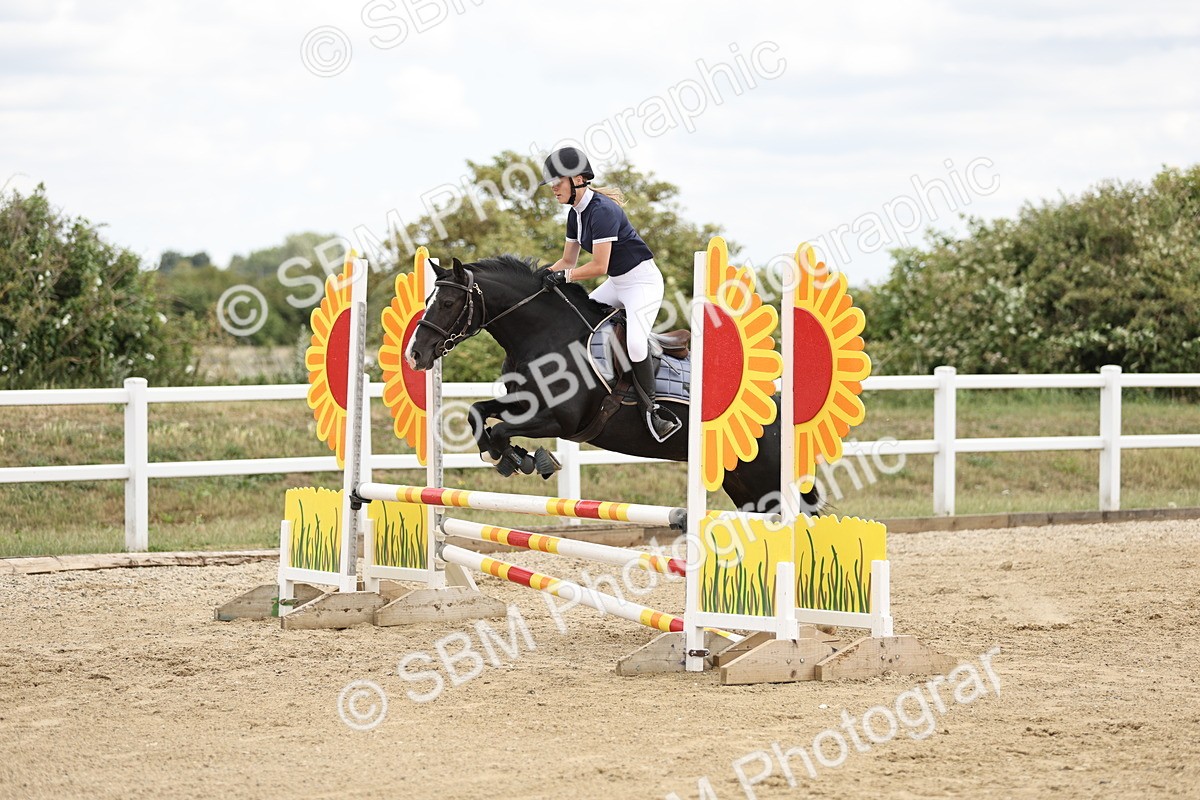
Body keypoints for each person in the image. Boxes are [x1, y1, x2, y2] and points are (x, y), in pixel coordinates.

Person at [537, 146, 682, 442]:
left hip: (642, 283)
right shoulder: (575, 215)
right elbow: (568, 261)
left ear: (577, 179)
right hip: (618, 282)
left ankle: (652, 411)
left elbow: (599, 265)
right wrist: (538, 277)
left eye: (558, 181)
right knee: (581, 321)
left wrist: (564, 277)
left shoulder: (602, 211)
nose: (553, 188)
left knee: (637, 343)